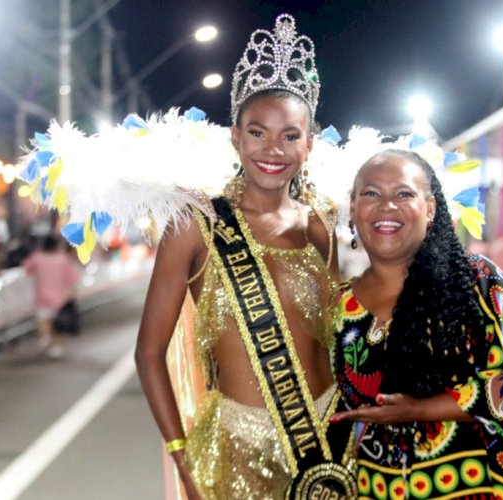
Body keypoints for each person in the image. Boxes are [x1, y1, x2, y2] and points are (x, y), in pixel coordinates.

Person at [135, 14, 355, 500]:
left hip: (332, 447)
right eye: (258, 132)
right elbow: (149, 353)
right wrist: (181, 455)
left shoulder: (324, 224)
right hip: (236, 452)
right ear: (235, 136)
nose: (273, 149)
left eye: (290, 136)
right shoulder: (196, 223)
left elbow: (347, 338)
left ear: (310, 144)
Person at [330, 150, 503, 499]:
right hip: (376, 488)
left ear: (430, 209)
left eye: (404, 194)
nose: (387, 205)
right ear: (353, 208)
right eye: (371, 193)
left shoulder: (479, 281)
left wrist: (418, 409)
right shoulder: (339, 307)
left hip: (485, 488)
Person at [22, 235, 79, 359]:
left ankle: (45, 336)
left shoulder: (37, 257)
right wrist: (73, 294)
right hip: (61, 296)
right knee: (57, 324)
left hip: (42, 296)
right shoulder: (63, 258)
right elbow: (72, 277)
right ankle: (56, 347)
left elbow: (26, 268)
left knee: (44, 319)